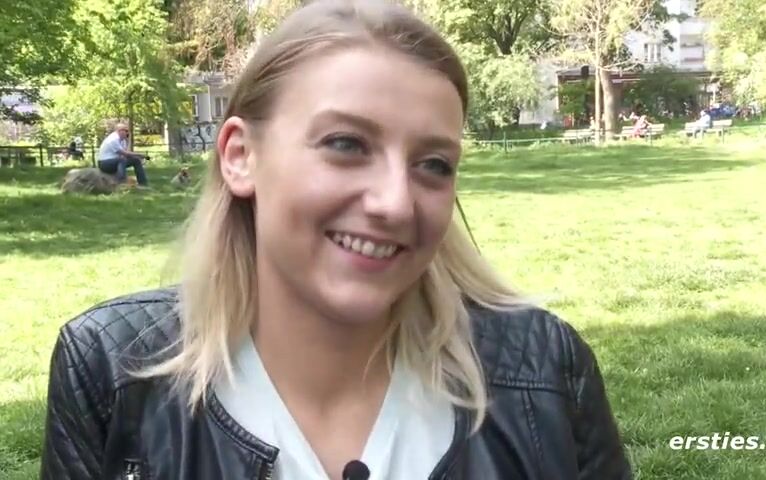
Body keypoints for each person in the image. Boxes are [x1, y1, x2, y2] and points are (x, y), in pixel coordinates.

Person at [40, 2, 631, 479]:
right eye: (346, 144)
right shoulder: (113, 370)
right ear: (240, 156)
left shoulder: (544, 371)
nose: (396, 203)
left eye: (433, 164)